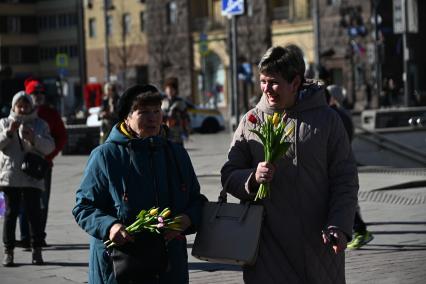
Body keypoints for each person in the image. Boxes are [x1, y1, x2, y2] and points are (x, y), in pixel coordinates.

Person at [221, 45, 359, 283]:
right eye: (263, 81)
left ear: (295, 83)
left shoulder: (327, 120)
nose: (266, 89)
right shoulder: (251, 121)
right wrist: (253, 178)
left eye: (273, 82)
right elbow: (229, 174)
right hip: (266, 247)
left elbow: (345, 178)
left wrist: (339, 224)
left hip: (318, 245)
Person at [72, 84, 206, 284]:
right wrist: (110, 226)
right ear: (127, 117)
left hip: (169, 267)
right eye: (143, 112)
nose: (153, 118)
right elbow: (83, 207)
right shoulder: (106, 156)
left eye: (156, 111)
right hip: (119, 266)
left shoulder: (176, 154)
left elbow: (197, 200)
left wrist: (187, 219)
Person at [0, 91, 55, 266]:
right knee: (10, 214)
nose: (23, 109)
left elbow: (49, 148)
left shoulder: (40, 124)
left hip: (33, 177)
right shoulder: (4, 122)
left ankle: (36, 251)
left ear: (31, 106)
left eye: (26, 105)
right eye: (19, 105)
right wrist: (9, 133)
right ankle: (8, 252)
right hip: (11, 176)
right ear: (14, 106)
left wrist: (34, 139)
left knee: (34, 215)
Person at [17, 78, 68, 249]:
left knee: (42, 203)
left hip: (43, 166)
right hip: (21, 167)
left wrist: (49, 156)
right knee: (23, 202)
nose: (39, 96)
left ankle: (39, 236)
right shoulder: (19, 113)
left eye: (41, 93)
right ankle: (25, 237)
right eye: (34, 93)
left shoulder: (51, 113)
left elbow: (61, 137)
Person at [325, 86, 374, 250]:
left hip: (336, 166)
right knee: (347, 200)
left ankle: (360, 231)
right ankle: (358, 230)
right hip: (341, 163)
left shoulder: (331, 116)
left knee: (343, 200)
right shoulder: (340, 113)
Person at [161, 77, 190, 145]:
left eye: (171, 89)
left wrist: (186, 131)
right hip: (165, 132)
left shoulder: (180, 102)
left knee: (178, 151)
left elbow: (185, 117)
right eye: (168, 89)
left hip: (177, 131)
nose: (169, 91)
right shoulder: (163, 102)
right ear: (165, 90)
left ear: (175, 90)